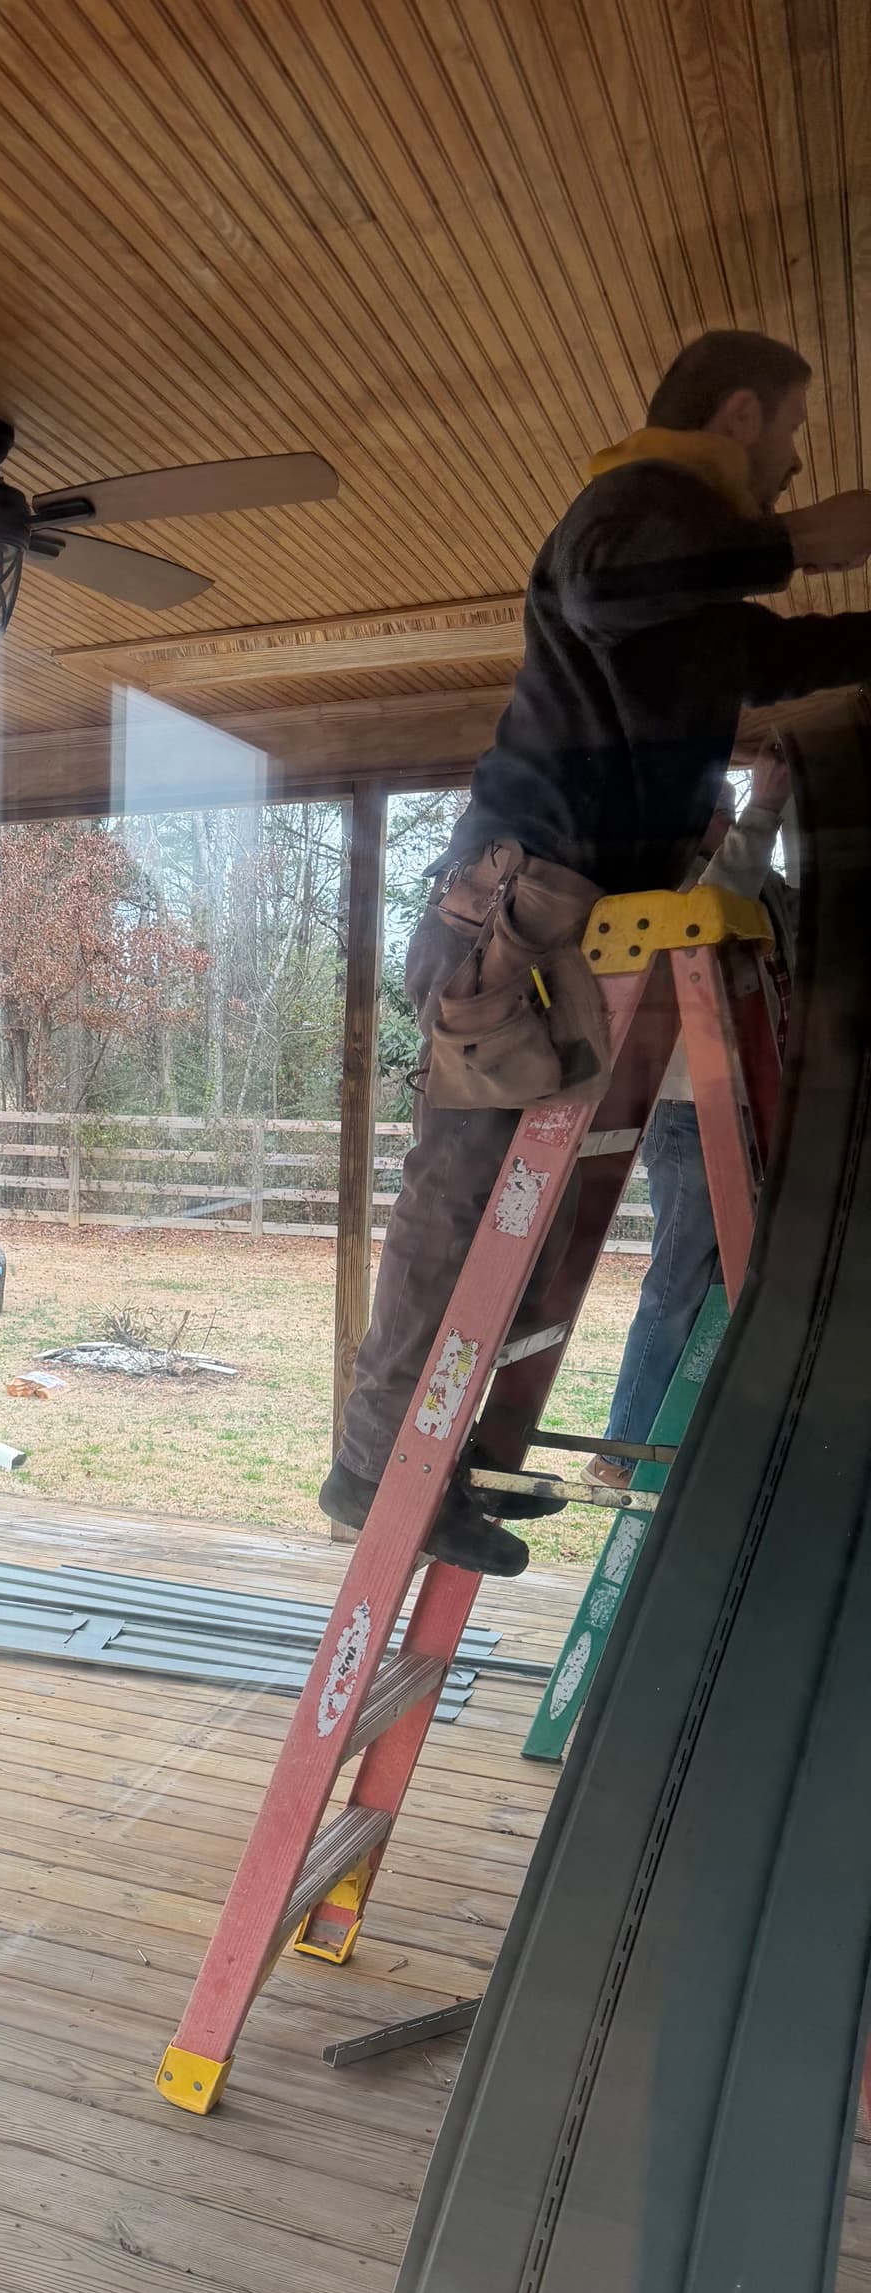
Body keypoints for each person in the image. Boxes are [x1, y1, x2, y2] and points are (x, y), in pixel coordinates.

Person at [323, 329, 871, 1575]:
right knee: (459, 1201)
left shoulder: (690, 583)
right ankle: (370, 1472)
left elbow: (767, 658)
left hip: (567, 921)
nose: (793, 462)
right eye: (788, 431)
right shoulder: (632, 509)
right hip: (516, 922)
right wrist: (806, 544)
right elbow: (604, 586)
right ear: (739, 414)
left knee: (524, 1206)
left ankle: (439, 1459)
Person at [585, 757, 790, 1491]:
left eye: (733, 809)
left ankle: (673, 1434)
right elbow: (710, 906)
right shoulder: (671, 884)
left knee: (710, 1288)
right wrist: (767, 808)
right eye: (720, 810)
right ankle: (623, 1449)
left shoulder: (750, 878)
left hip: (734, 1109)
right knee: (676, 1288)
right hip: (690, 1113)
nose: (730, 820)